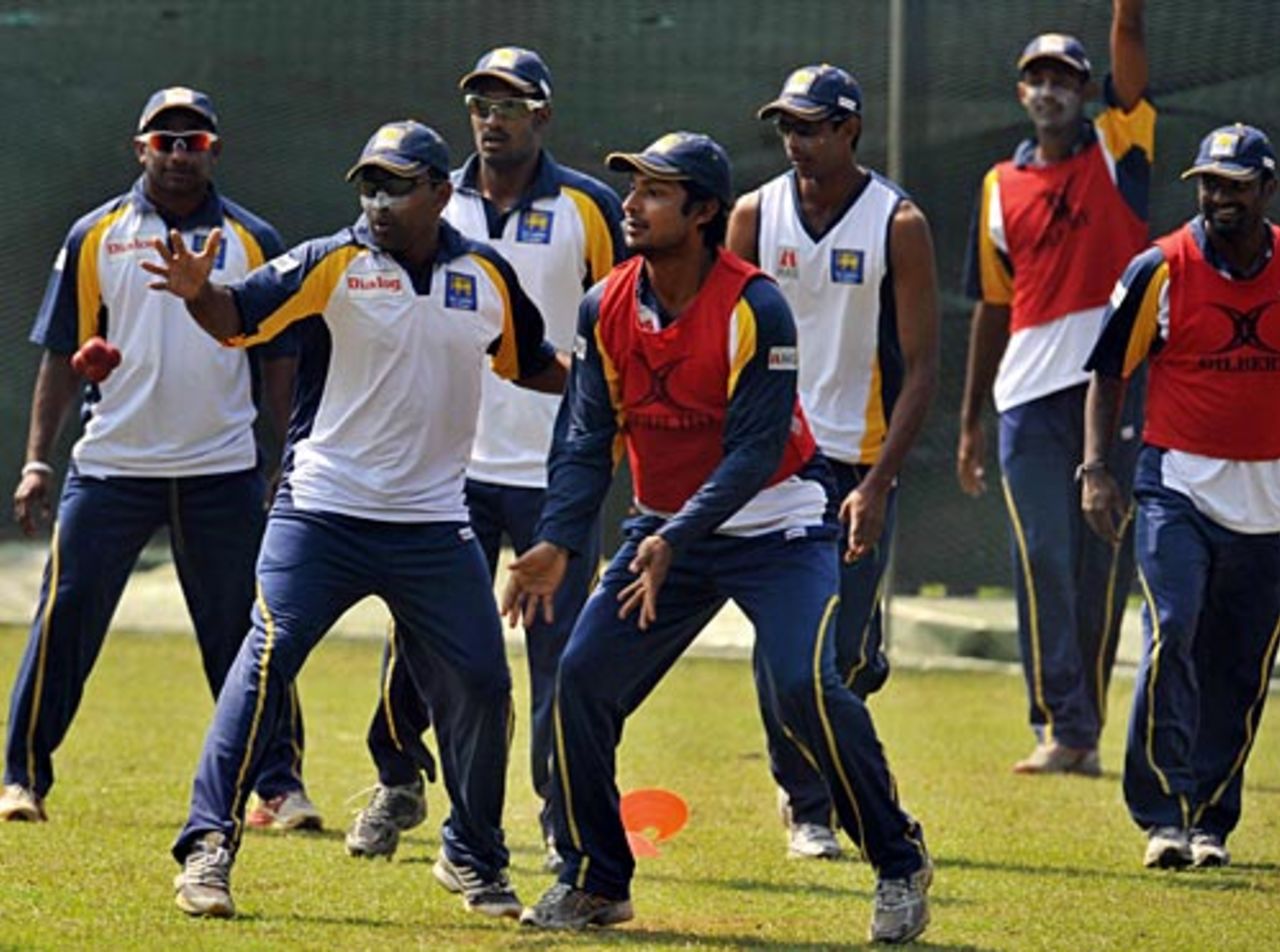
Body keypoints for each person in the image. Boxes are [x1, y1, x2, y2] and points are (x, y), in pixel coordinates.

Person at [503, 132, 933, 944]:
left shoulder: (755, 306)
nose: (629, 205)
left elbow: (756, 450)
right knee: (581, 681)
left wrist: (676, 534)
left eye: (654, 192)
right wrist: (559, 541)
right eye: (630, 188)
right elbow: (585, 440)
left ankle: (898, 859)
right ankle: (597, 879)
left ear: (702, 212)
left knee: (802, 685)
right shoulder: (606, 306)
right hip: (666, 533)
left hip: (778, 525)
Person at [147, 120, 565, 919]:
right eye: (369, 184)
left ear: (442, 193)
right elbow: (235, 318)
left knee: (481, 683)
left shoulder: (485, 277)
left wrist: (609, 389)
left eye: (397, 184)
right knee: (268, 659)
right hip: (323, 513)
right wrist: (200, 292)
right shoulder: (329, 261)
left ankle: (473, 857)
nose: (377, 200)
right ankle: (206, 848)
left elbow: (533, 364)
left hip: (434, 524)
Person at [0, 86, 317, 831]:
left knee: (248, 631)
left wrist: (289, 457)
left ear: (214, 150)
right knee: (66, 618)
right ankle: (20, 779)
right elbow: (58, 355)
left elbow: (279, 358)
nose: (178, 154)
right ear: (139, 147)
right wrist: (38, 462)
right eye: (165, 140)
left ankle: (279, 786)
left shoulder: (251, 239)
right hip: (112, 466)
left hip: (222, 469)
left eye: (194, 142)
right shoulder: (96, 234)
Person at [346, 47, 624, 871]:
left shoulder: (588, 207)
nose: (491, 117)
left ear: (542, 114)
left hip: (555, 472)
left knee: (556, 655)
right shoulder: (432, 193)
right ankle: (399, 778)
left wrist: (609, 436)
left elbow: (620, 322)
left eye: (509, 104)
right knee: (421, 639)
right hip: (446, 469)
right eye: (479, 102)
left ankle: (550, 810)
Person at [727, 63, 939, 859]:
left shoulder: (898, 222)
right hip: (779, 461)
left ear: (850, 130)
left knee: (843, 657)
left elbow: (921, 368)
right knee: (789, 644)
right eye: (786, 125)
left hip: (858, 459)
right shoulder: (754, 212)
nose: (795, 141)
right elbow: (728, 336)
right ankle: (806, 801)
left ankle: (861, 646)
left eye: (811, 126)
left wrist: (881, 483)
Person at [956, 0, 1152, 774]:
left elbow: (1131, 43)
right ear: (1021, 95)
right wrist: (971, 422)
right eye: (1035, 78)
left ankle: (1083, 726)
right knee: (1042, 552)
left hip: (1116, 390)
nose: (1049, 90)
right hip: (1028, 400)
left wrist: (1124, 13)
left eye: (1064, 77)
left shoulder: (1118, 148)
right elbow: (991, 307)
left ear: (1085, 90)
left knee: (1099, 559)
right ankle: (1062, 725)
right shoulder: (998, 184)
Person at [1082, 124, 1280, 869]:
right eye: (1208, 183)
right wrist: (1097, 469)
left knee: (1243, 662)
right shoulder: (1158, 267)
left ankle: (1212, 821)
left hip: (1271, 497)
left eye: (1233, 184)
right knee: (1174, 626)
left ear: (1266, 188)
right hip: (1178, 486)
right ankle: (1161, 813)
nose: (1217, 197)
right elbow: (1108, 372)